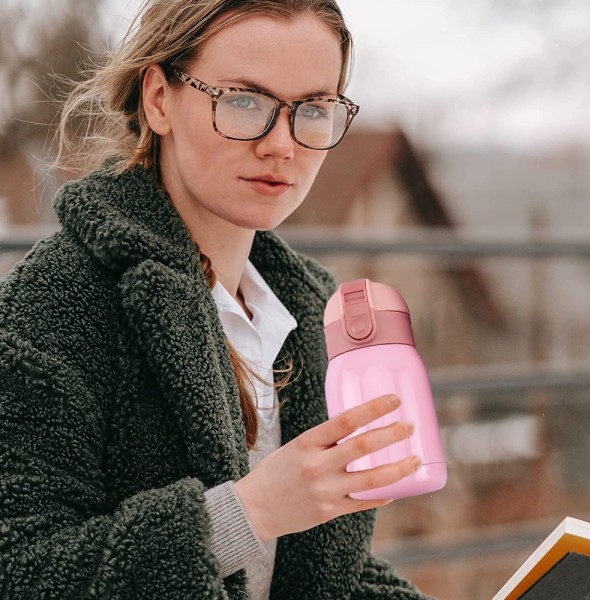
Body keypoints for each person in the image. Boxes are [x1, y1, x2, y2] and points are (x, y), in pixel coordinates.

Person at [0, 1, 434, 599]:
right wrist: (248, 511)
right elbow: (23, 568)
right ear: (159, 99)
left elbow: (329, 573)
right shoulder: (55, 302)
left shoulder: (308, 311)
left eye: (311, 109)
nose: (282, 144)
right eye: (243, 100)